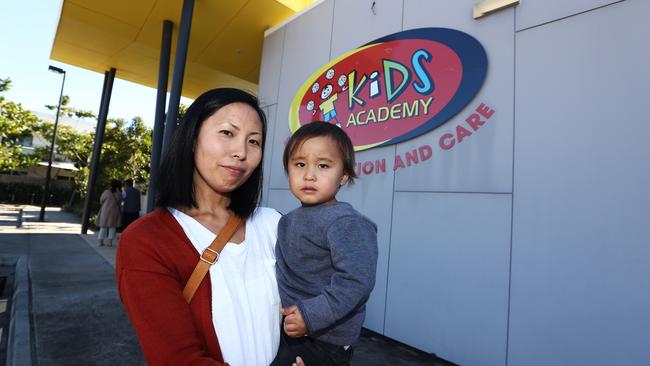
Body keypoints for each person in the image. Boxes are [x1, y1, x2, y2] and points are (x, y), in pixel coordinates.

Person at [116, 88, 302, 366]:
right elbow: (177, 359)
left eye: (254, 141)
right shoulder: (147, 240)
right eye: (228, 133)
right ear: (192, 138)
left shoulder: (274, 224)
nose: (241, 152)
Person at [271, 122, 378, 366]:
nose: (309, 175)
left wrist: (309, 317)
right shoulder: (287, 220)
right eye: (300, 165)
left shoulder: (346, 223)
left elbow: (356, 281)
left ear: (344, 175)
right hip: (289, 329)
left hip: (326, 339)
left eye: (323, 165)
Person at [97, 179, 122, 246]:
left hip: (105, 211)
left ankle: (101, 242)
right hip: (114, 212)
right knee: (112, 227)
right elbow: (120, 202)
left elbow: (101, 200)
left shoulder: (106, 192)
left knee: (103, 227)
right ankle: (110, 242)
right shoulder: (119, 193)